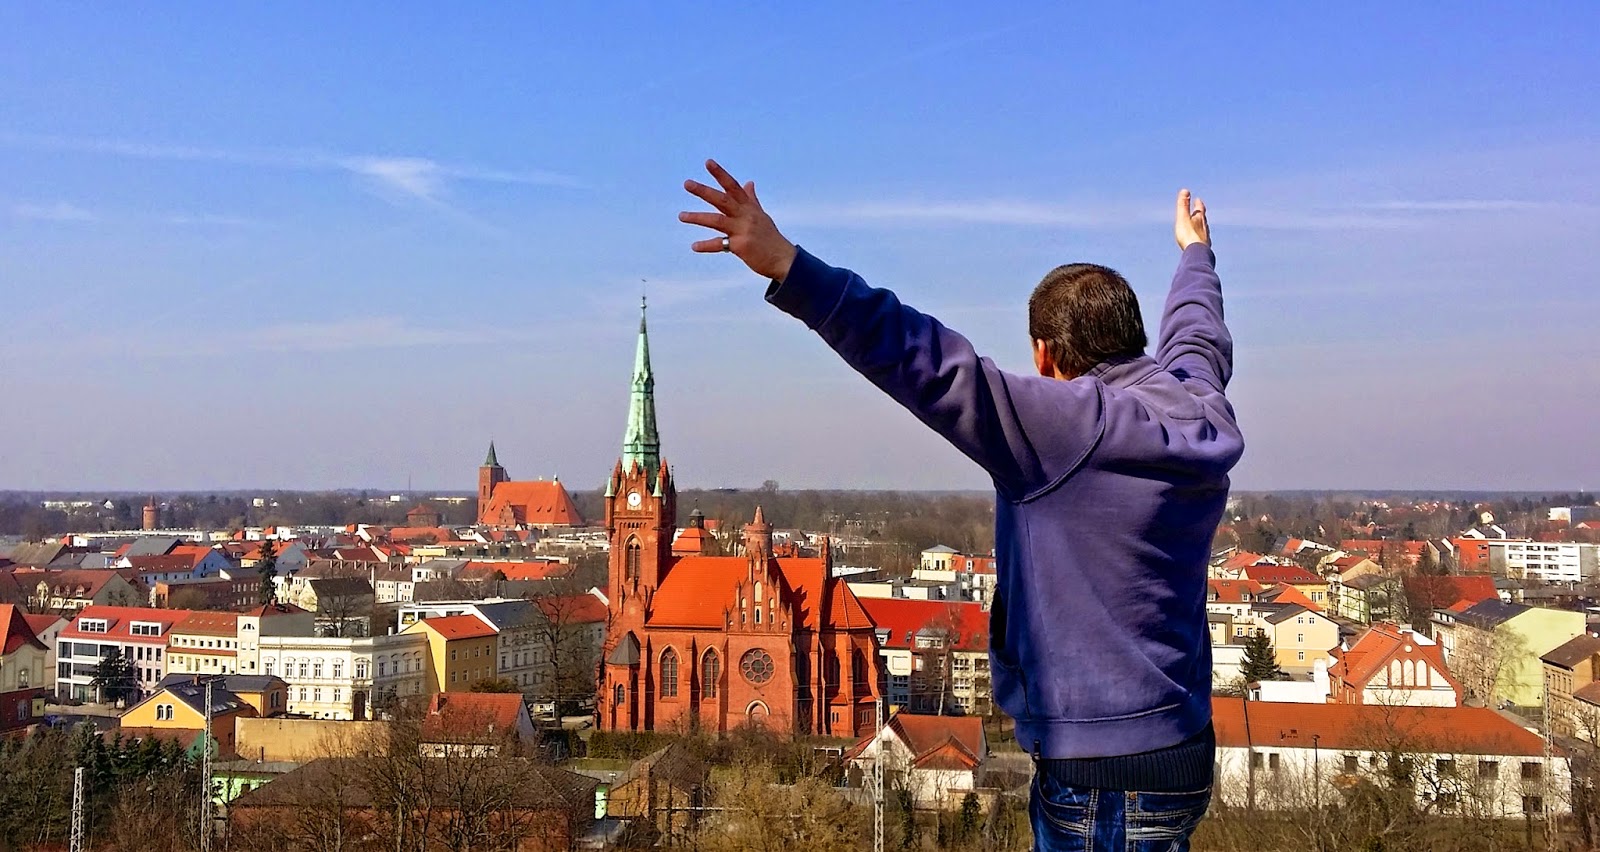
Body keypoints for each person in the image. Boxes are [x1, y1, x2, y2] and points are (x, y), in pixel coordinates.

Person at [680, 160, 1243, 852]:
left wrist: (789, 267)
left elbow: (928, 362)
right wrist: (1195, 255)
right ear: (1134, 339)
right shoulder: (1198, 407)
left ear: (1044, 355)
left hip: (1099, 769)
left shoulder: (1069, 428)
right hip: (1182, 747)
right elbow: (1199, 338)